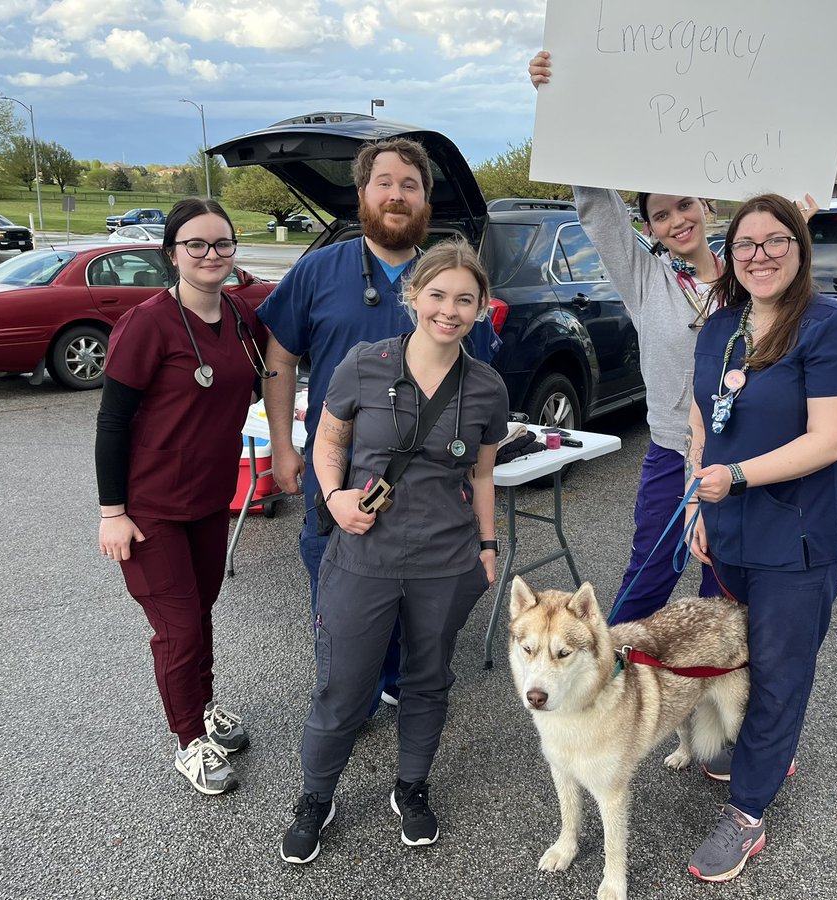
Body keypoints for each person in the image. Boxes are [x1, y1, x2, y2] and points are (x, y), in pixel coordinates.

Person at [528, 51, 816, 623]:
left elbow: (788, 268)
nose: (676, 220)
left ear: (706, 204)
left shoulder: (750, 273)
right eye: (660, 215)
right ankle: (613, 685)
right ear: (650, 227)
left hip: (738, 452)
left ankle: (708, 690)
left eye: (684, 204)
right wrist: (558, 100)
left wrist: (795, 226)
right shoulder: (644, 279)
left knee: (723, 577)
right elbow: (596, 205)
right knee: (650, 569)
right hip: (669, 448)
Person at [279, 239, 508, 864]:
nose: (450, 310)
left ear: (482, 307)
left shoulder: (486, 388)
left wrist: (488, 546)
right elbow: (329, 440)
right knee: (343, 686)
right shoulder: (363, 363)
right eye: (438, 295)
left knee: (428, 680)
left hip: (447, 561)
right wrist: (333, 496)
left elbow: (483, 476)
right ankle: (316, 797)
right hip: (364, 556)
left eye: (466, 299)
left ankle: (410, 786)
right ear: (413, 296)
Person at [258, 137, 500, 713]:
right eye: (384, 182)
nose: (396, 195)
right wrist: (281, 445)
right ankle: (349, 696)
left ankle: (395, 681)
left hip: (428, 492)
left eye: (410, 185)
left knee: (416, 598)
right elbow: (280, 357)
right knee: (338, 593)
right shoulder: (318, 270)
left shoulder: (450, 279)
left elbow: (480, 378)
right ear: (362, 193)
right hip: (337, 477)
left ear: (425, 200)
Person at [682, 194, 837, 881]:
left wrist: (733, 478)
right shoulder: (720, 328)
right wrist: (696, 509)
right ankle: (769, 747)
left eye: (774, 242)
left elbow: (832, 439)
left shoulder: (830, 327)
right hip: (726, 528)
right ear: (730, 256)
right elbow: (703, 424)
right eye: (745, 245)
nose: (759, 255)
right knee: (736, 658)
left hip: (798, 535)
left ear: (799, 248)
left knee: (779, 672)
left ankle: (747, 814)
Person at [95, 199, 269, 795]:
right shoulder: (147, 323)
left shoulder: (243, 317)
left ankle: (203, 705)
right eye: (195, 245)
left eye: (222, 243)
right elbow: (112, 422)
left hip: (208, 501)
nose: (211, 255)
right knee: (178, 629)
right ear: (173, 254)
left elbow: (284, 352)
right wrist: (112, 513)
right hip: (150, 510)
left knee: (200, 613)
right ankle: (189, 740)